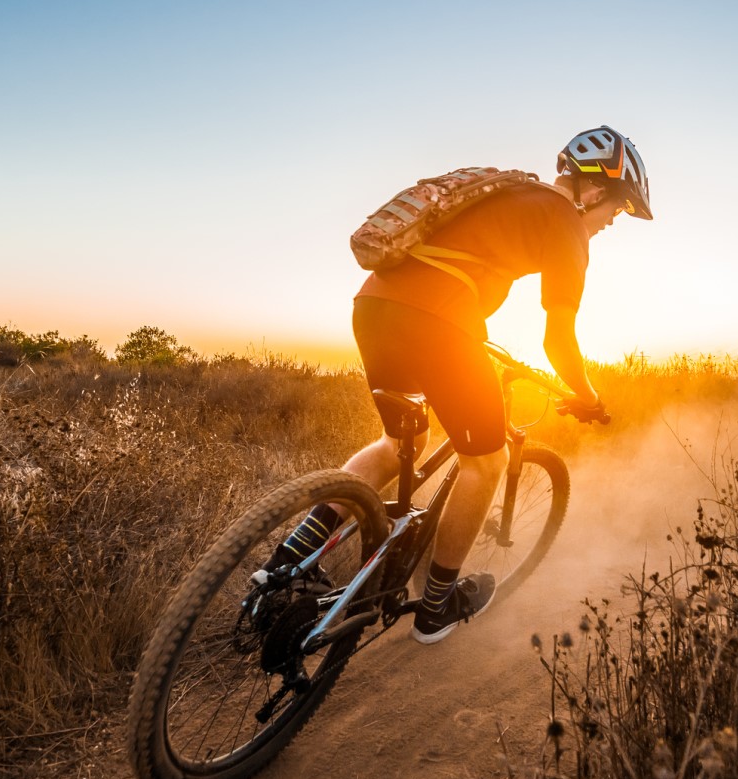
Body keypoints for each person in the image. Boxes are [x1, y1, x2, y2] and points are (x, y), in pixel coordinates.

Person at [264, 125, 653, 644]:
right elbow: (558, 340)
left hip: (375, 306)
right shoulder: (565, 223)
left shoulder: (509, 190)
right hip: (441, 320)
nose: (612, 223)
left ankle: (286, 561)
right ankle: (436, 606)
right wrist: (587, 397)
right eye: (619, 209)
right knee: (487, 460)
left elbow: (464, 265)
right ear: (596, 190)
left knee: (399, 442)